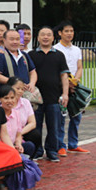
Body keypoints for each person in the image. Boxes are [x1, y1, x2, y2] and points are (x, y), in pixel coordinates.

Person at [28, 26, 69, 162]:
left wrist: (65, 94)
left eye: (48, 35)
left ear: (53, 38)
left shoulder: (59, 55)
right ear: (38, 38)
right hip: (36, 99)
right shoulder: (31, 55)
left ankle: (52, 151)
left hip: (54, 97)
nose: (45, 37)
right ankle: (38, 151)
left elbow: (64, 76)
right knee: (36, 126)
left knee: (54, 127)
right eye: (42, 35)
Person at [54, 21, 88, 154]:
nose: (69, 34)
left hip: (74, 87)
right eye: (66, 31)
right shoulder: (56, 49)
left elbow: (79, 67)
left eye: (71, 31)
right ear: (60, 33)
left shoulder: (77, 49)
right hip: (61, 87)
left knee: (77, 116)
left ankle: (73, 143)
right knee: (61, 117)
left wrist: (76, 80)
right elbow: (57, 70)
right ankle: (60, 145)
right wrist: (67, 83)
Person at [7, 77, 42, 156]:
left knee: (35, 135)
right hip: (6, 133)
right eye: (18, 88)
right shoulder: (3, 103)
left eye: (22, 89)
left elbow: (32, 123)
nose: (20, 91)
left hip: (21, 131)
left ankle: (30, 158)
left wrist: (19, 133)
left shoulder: (25, 102)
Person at [0, 84, 36, 157]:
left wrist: (18, 144)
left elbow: (19, 134)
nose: (10, 101)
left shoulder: (16, 114)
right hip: (1, 146)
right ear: (0, 99)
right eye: (6, 98)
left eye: (12, 98)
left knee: (29, 146)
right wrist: (12, 149)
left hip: (13, 145)